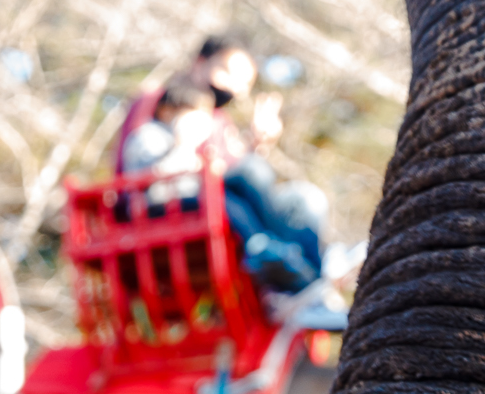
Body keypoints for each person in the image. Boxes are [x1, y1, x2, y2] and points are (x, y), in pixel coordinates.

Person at [117, 38, 331, 298]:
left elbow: (232, 168)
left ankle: (309, 276)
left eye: (244, 83)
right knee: (243, 181)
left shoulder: (218, 120)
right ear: (201, 63)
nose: (234, 88)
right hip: (174, 207)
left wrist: (256, 142)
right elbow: (140, 170)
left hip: (220, 199)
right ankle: (291, 274)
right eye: (228, 73)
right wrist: (185, 145)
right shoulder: (158, 102)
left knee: (304, 199)